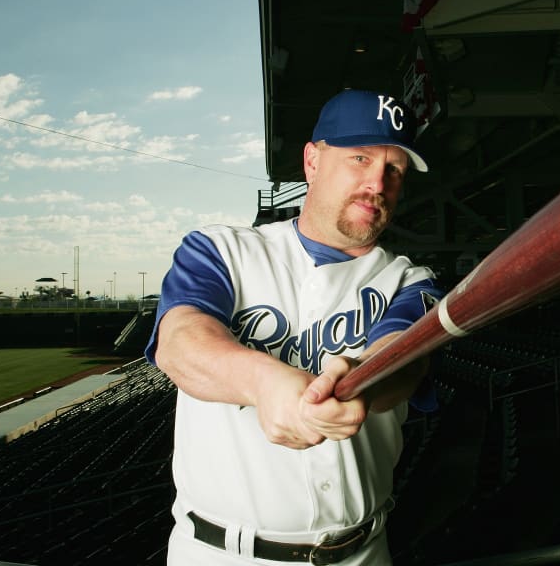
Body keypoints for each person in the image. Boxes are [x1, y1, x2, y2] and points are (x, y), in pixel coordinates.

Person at [145, 89, 444, 565]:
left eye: (394, 170)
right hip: (224, 553)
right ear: (311, 161)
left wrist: (358, 383)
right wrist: (266, 382)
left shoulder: (410, 278)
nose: (377, 183)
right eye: (360, 158)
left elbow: (403, 359)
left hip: (363, 552)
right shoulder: (219, 250)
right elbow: (181, 342)